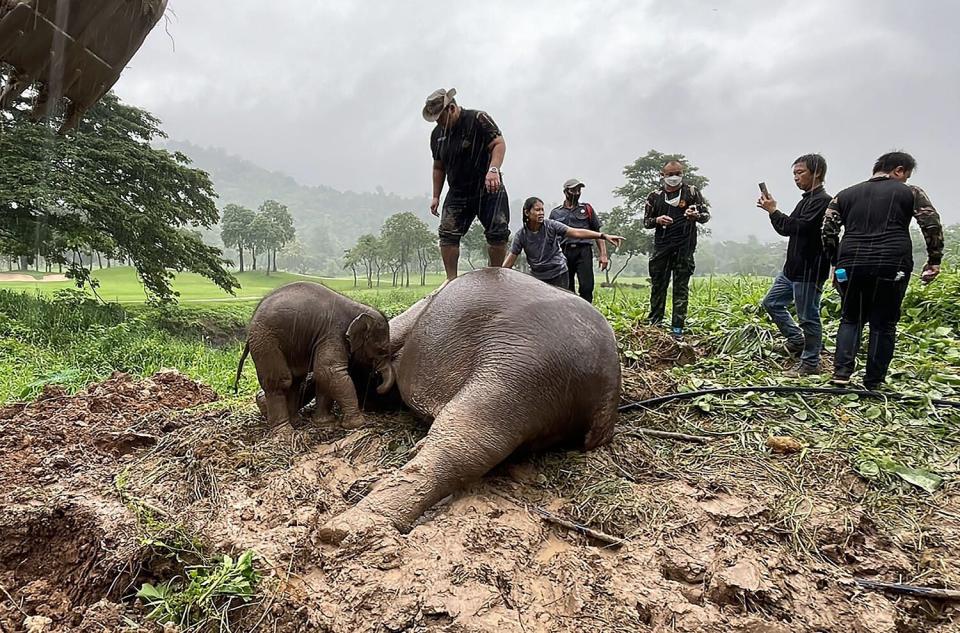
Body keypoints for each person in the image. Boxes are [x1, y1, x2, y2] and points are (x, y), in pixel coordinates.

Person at [822, 151, 944, 390]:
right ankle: (874, 381)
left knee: (851, 318)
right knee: (883, 323)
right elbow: (930, 223)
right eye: (905, 175)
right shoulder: (910, 192)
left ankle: (841, 374)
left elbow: (827, 230)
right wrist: (934, 259)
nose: (905, 180)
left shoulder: (844, 195)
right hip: (892, 263)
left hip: (851, 264)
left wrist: (835, 261)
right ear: (898, 170)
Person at [423, 88, 509, 281]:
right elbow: (438, 167)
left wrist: (493, 169)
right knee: (447, 233)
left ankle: (496, 275)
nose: (438, 123)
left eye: (440, 118)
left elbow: (498, 143)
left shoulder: (478, 119)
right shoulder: (437, 135)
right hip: (458, 189)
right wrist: (436, 195)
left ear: (451, 108)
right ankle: (451, 280)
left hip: (487, 185)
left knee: (498, 232)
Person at [757, 154, 832, 377]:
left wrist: (773, 210)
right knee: (771, 303)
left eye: (800, 173)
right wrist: (773, 212)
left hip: (810, 270)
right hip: (792, 269)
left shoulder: (822, 201)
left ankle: (810, 362)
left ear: (817, 172)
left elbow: (796, 227)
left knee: (808, 316)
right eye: (794, 174)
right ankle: (796, 340)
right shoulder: (806, 200)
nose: (796, 178)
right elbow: (786, 228)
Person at [643, 160, 710, 339]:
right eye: (670, 174)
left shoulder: (692, 192)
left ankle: (677, 329)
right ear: (662, 175)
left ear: (682, 174)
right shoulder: (654, 196)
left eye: (678, 173)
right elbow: (646, 222)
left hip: (685, 247)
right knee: (658, 286)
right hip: (662, 247)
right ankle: (655, 325)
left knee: (681, 288)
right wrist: (658, 220)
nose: (674, 177)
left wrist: (695, 215)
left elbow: (706, 216)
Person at [503, 197, 623, 289]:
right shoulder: (521, 235)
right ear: (527, 212)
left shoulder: (551, 225)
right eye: (537, 210)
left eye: (542, 210)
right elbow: (511, 259)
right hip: (538, 277)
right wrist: (499, 275)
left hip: (558, 273)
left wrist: (603, 235)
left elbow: (576, 233)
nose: (541, 213)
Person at [549, 178, 608, 303]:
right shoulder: (556, 213)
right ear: (565, 192)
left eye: (578, 190)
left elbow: (598, 233)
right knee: (566, 288)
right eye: (573, 190)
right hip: (564, 252)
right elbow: (550, 238)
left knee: (586, 287)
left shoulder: (587, 209)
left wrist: (603, 254)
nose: (576, 193)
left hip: (584, 251)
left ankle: (587, 314)